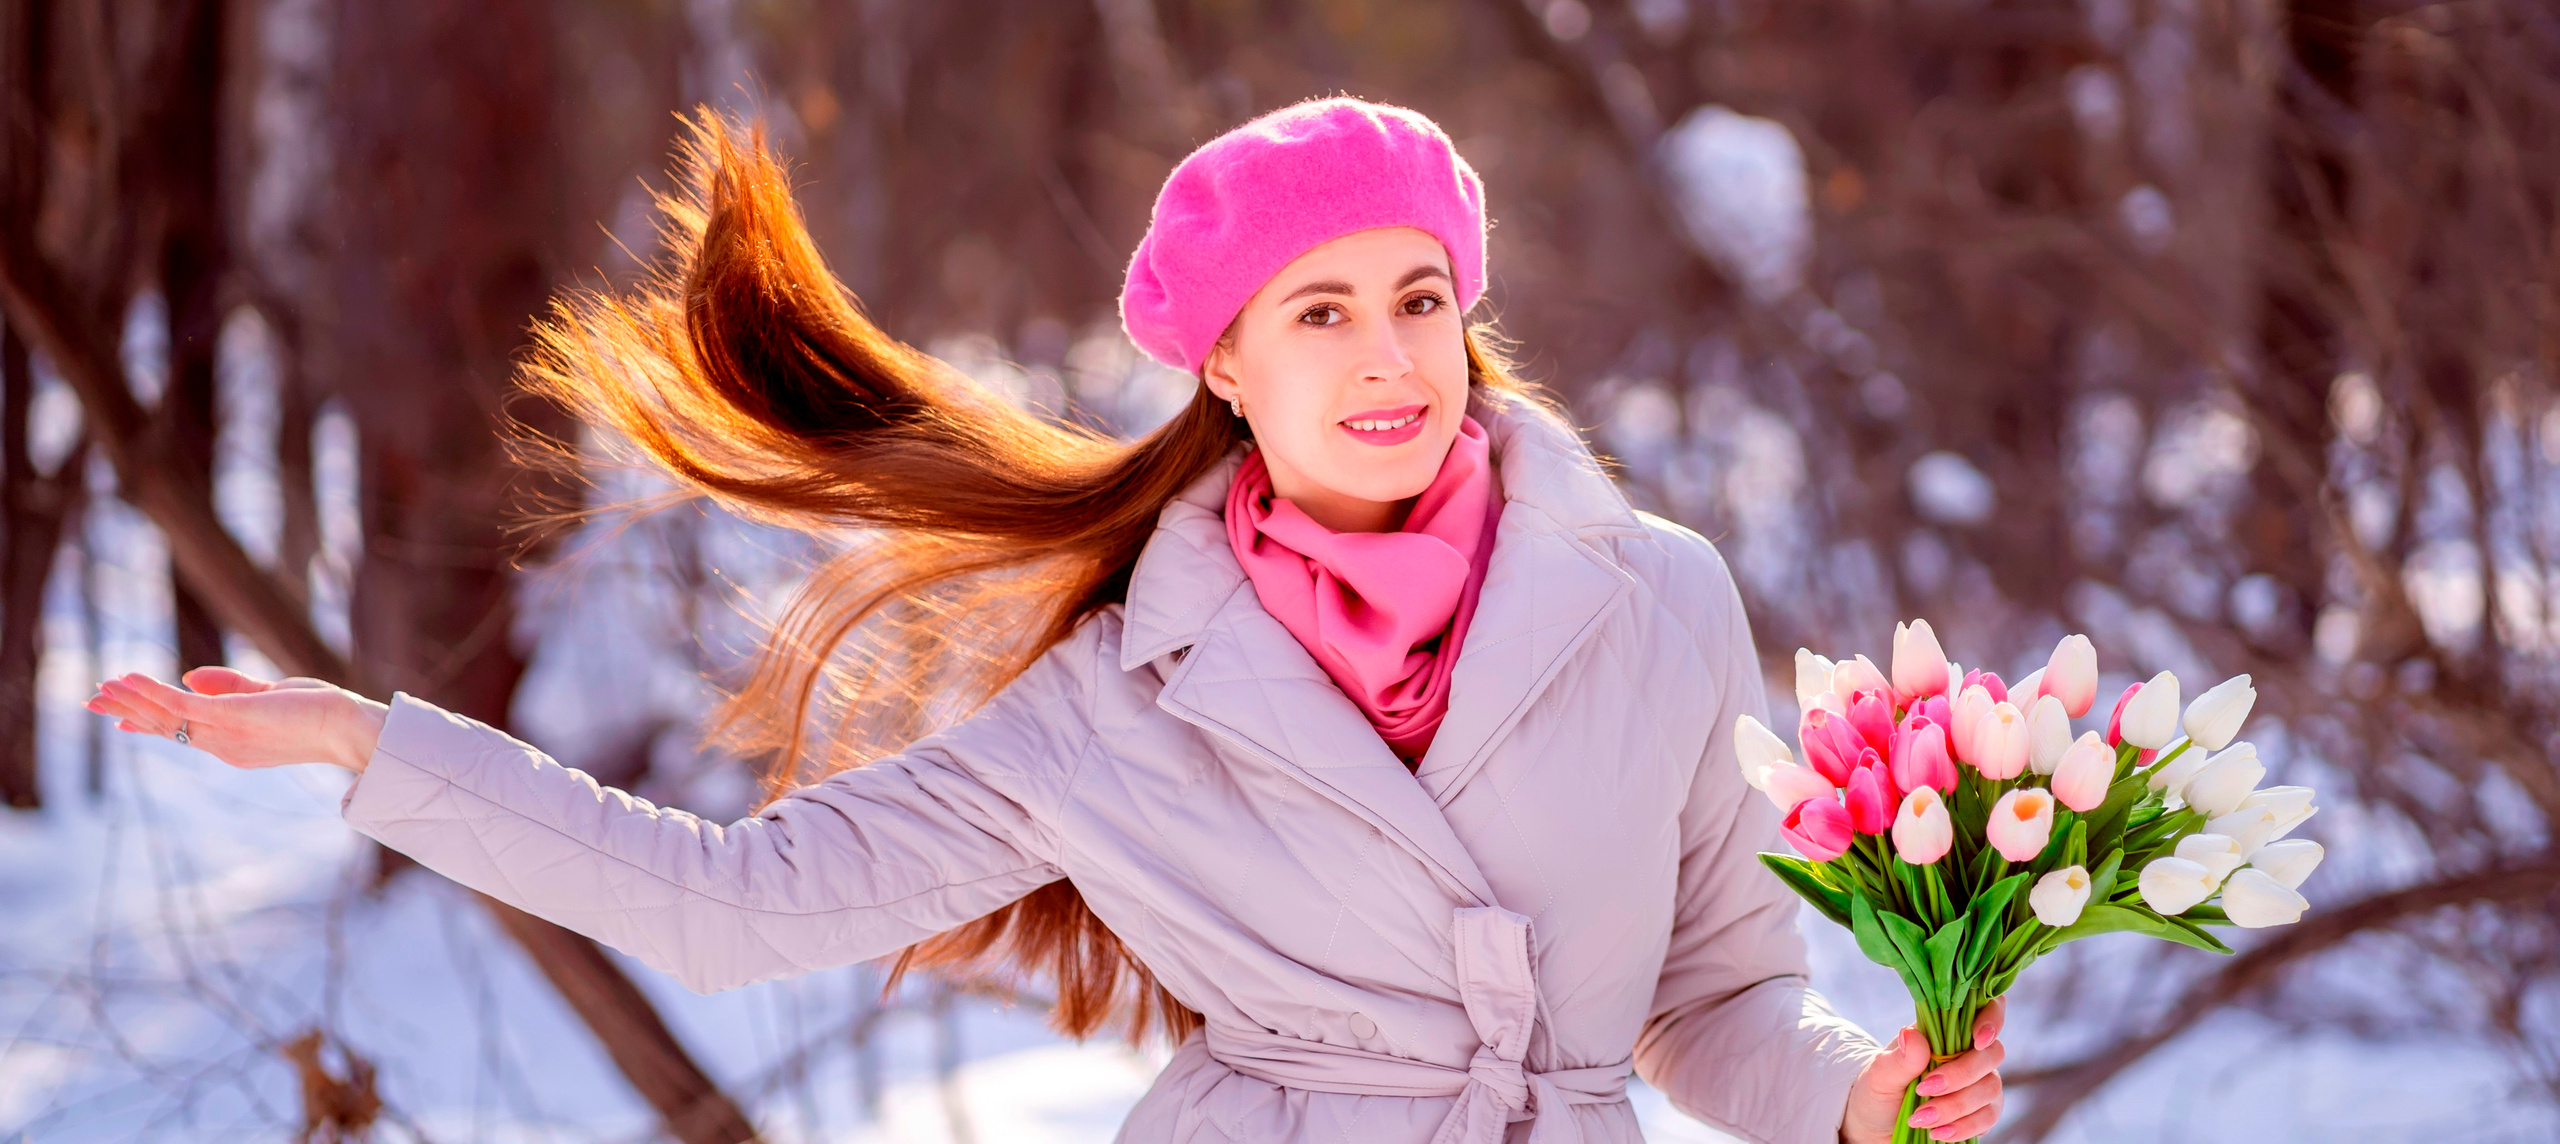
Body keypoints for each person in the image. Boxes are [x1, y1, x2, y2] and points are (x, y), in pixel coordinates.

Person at [87, 97, 2004, 1143]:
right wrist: (369, 747)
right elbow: (730, 905)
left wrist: (1854, 1093)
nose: (1388, 352)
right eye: (1318, 311)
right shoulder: (1116, 702)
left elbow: (1712, 997)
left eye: (1419, 295)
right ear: (1227, 368)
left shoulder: (1650, 596)